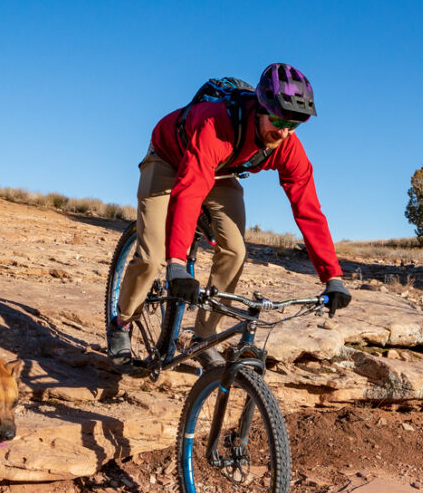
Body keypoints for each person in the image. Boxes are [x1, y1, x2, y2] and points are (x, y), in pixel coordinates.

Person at [108, 63, 352, 363]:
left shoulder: (287, 145)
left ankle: (203, 338)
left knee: (235, 252)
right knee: (152, 256)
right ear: (260, 107)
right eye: (277, 118)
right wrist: (176, 262)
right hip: (169, 159)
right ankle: (122, 321)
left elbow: (308, 209)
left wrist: (333, 277)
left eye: (296, 123)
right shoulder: (216, 123)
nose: (284, 131)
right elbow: (190, 189)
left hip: (222, 171)